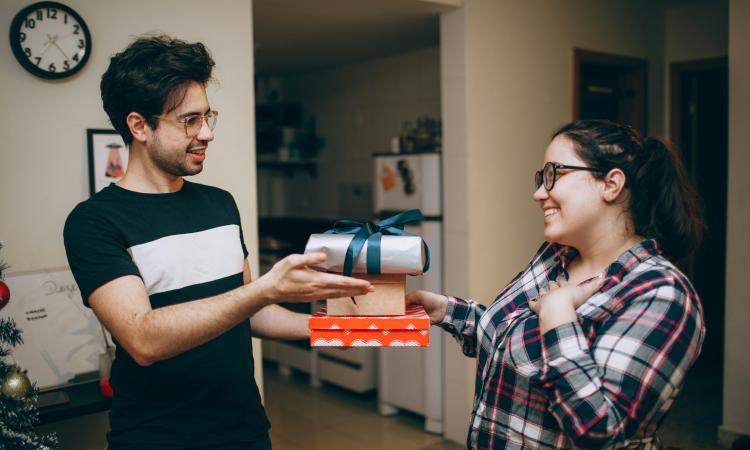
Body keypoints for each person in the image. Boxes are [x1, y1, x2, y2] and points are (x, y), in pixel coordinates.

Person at [63, 35, 372, 450]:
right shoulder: (94, 222)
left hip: (246, 432)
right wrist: (264, 288)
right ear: (139, 126)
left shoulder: (219, 204)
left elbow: (250, 313)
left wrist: (336, 329)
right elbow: (143, 339)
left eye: (208, 116)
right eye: (189, 120)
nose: (206, 133)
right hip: (155, 440)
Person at [408, 119, 705, 449]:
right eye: (541, 178)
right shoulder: (554, 257)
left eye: (554, 175)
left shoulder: (662, 293)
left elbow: (600, 430)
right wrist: (449, 311)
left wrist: (558, 313)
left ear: (611, 184)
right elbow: (517, 346)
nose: (538, 194)